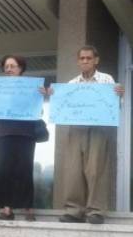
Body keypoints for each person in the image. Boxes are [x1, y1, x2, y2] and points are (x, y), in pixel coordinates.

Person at [52, 45, 124, 225]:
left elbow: (116, 105)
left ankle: (96, 211)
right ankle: (74, 211)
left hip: (99, 129)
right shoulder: (71, 84)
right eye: (82, 58)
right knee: (73, 170)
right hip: (76, 129)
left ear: (96, 60)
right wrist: (53, 95)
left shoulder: (106, 80)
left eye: (88, 58)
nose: (85, 61)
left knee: (95, 170)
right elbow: (61, 106)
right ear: (78, 61)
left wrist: (119, 96)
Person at [0, 55, 39, 221]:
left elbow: (38, 110)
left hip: (26, 134)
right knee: (4, 170)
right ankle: (6, 209)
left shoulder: (31, 87)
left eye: (12, 66)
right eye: (6, 66)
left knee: (25, 169)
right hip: (4, 133)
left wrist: (42, 95)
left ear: (20, 68)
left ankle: (28, 208)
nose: (9, 69)